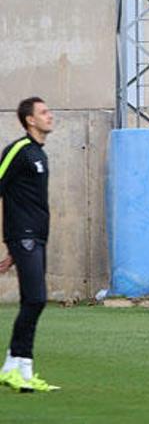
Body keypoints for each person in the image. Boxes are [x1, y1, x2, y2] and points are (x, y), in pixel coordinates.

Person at [0, 97, 60, 393]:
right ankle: (19, 369)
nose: (50, 116)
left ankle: (16, 369)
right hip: (24, 235)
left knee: (32, 301)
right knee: (36, 299)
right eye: (44, 112)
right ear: (30, 121)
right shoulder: (19, 150)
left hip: (34, 237)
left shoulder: (39, 154)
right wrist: (12, 240)